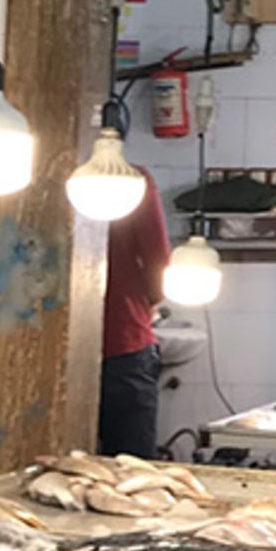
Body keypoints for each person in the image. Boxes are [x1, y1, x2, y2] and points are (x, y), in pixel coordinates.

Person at [100, 169, 171, 457]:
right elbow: (160, 268)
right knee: (130, 468)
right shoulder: (133, 179)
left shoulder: (42, 171)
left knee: (56, 468)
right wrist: (148, 301)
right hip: (123, 338)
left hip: (47, 348)